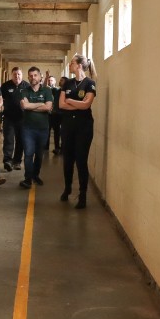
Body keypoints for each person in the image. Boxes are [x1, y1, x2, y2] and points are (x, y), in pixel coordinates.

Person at [59, 54, 97, 209]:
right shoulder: (67, 83)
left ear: (80, 65)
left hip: (84, 127)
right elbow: (61, 104)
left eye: (72, 63)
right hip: (68, 125)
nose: (70, 65)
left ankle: (82, 194)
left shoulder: (89, 83)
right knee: (68, 160)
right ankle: (67, 188)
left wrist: (70, 101)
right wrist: (78, 104)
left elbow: (87, 104)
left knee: (81, 161)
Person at [18, 67, 53, 189]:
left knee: (39, 154)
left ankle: (35, 175)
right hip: (28, 129)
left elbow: (48, 107)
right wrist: (40, 104)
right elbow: (24, 106)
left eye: (35, 75)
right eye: (31, 76)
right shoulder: (24, 90)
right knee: (28, 153)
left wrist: (30, 106)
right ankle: (27, 178)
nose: (33, 78)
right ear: (28, 77)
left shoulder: (47, 91)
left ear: (40, 76)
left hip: (43, 129)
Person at [0, 67, 30, 172]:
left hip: (23, 119)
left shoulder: (27, 86)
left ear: (22, 75)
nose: (17, 76)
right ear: (11, 75)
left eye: (19, 74)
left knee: (20, 140)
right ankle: (7, 161)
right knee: (8, 139)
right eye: (15, 74)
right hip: (9, 118)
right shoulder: (5, 86)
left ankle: (17, 161)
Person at [46, 75, 63, 154]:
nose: (50, 82)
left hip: (56, 114)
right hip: (48, 114)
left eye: (52, 80)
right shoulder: (46, 90)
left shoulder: (57, 90)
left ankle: (57, 147)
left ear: (55, 82)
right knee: (47, 131)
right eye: (49, 80)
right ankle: (46, 147)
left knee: (57, 131)